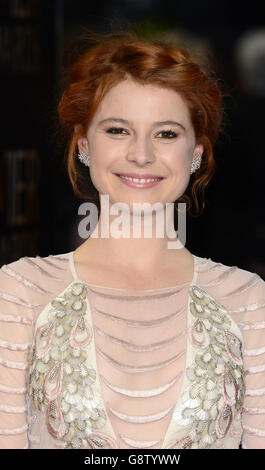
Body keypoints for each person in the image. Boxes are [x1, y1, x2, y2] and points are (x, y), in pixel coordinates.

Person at [0, 31, 265, 450]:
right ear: (84, 143)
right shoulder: (20, 292)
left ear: (196, 152)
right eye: (118, 130)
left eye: (166, 134)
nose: (141, 154)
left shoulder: (248, 300)